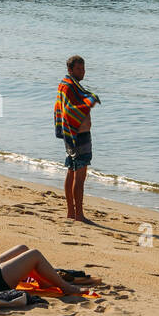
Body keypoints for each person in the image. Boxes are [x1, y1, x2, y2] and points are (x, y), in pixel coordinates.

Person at [56, 55, 100, 222]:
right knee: (79, 175)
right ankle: (79, 215)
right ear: (70, 69)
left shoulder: (69, 85)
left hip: (72, 135)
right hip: (78, 135)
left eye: (83, 68)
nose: (83, 72)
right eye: (79, 69)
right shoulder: (69, 87)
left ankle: (71, 212)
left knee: (72, 170)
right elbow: (69, 111)